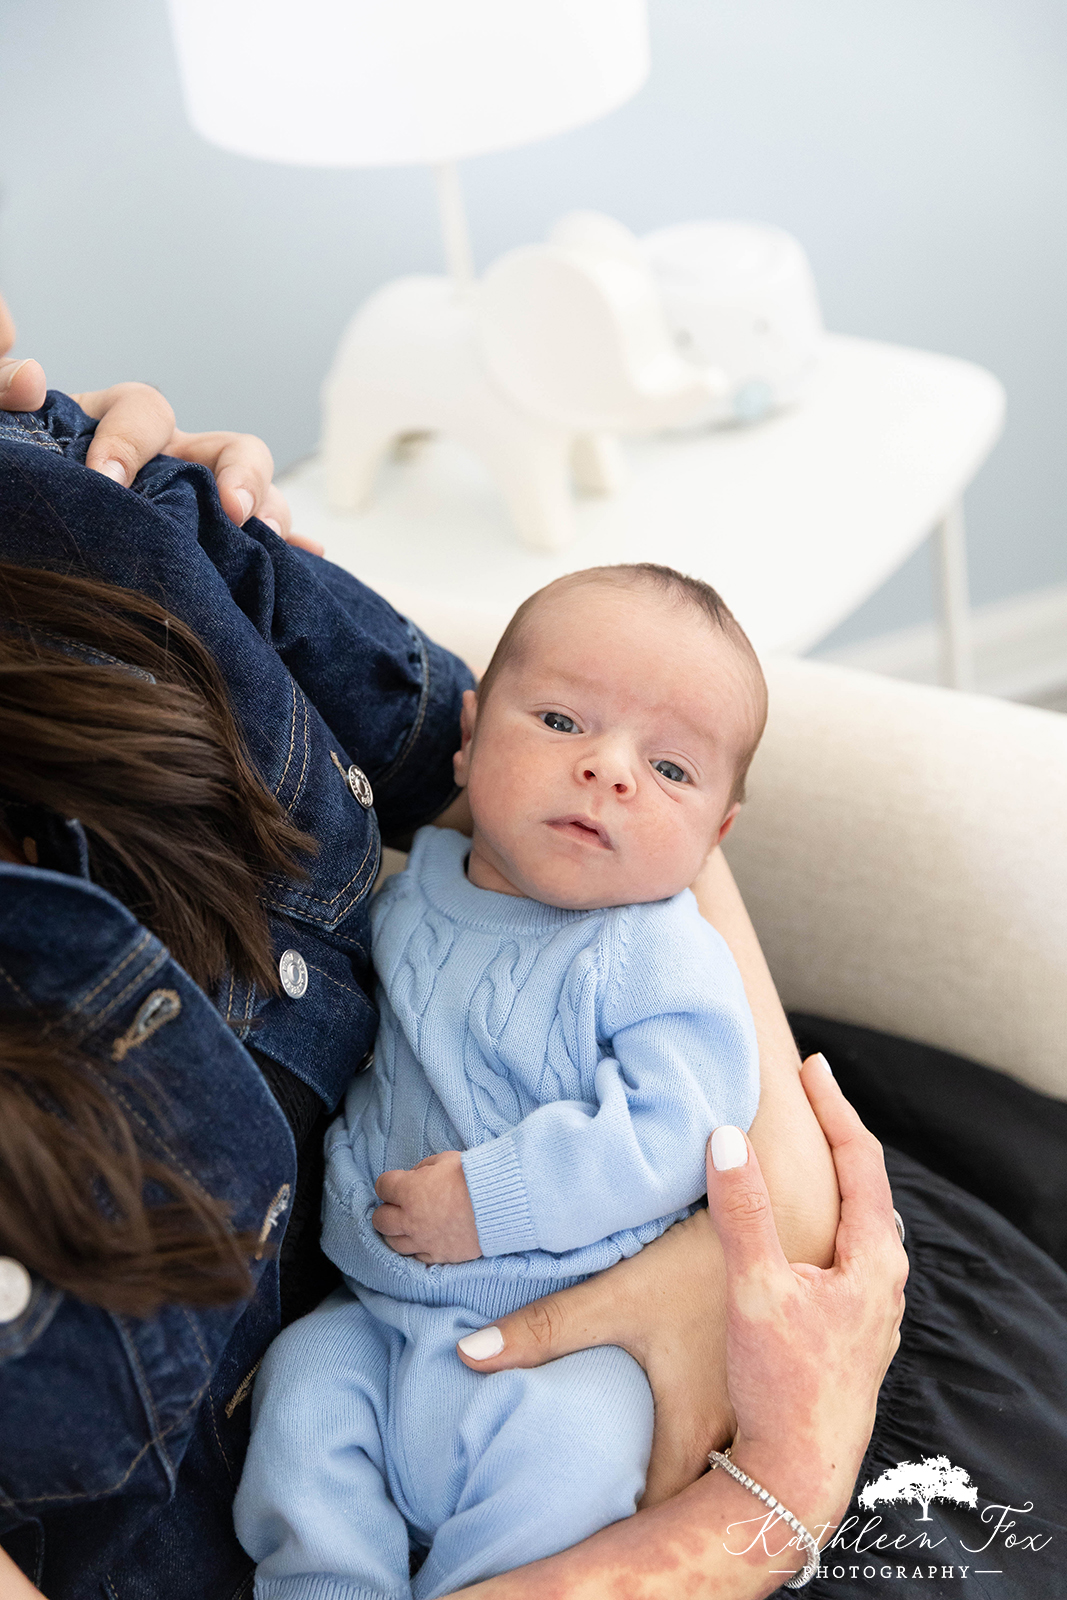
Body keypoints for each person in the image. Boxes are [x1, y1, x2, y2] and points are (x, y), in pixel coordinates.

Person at [234, 565, 767, 1596]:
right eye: (563, 719)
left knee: (573, 1457)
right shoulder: (400, 898)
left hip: (562, 1337)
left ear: (715, 835)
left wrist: (491, 1198)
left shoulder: (657, 951)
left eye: (667, 768)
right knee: (297, 1406)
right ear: (469, 737)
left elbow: (681, 1120)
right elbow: (364, 1069)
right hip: (374, 1310)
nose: (608, 770)